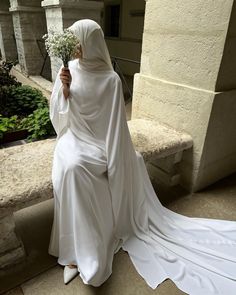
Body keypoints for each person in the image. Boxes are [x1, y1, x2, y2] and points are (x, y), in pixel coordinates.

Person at [48, 19, 236, 294]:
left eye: (78, 42)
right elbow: (58, 116)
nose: (74, 48)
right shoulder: (67, 71)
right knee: (72, 169)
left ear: (91, 43)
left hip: (98, 145)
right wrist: (64, 91)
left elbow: (114, 128)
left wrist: (115, 167)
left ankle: (86, 250)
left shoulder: (111, 80)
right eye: (73, 42)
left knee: (82, 170)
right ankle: (73, 251)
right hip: (73, 140)